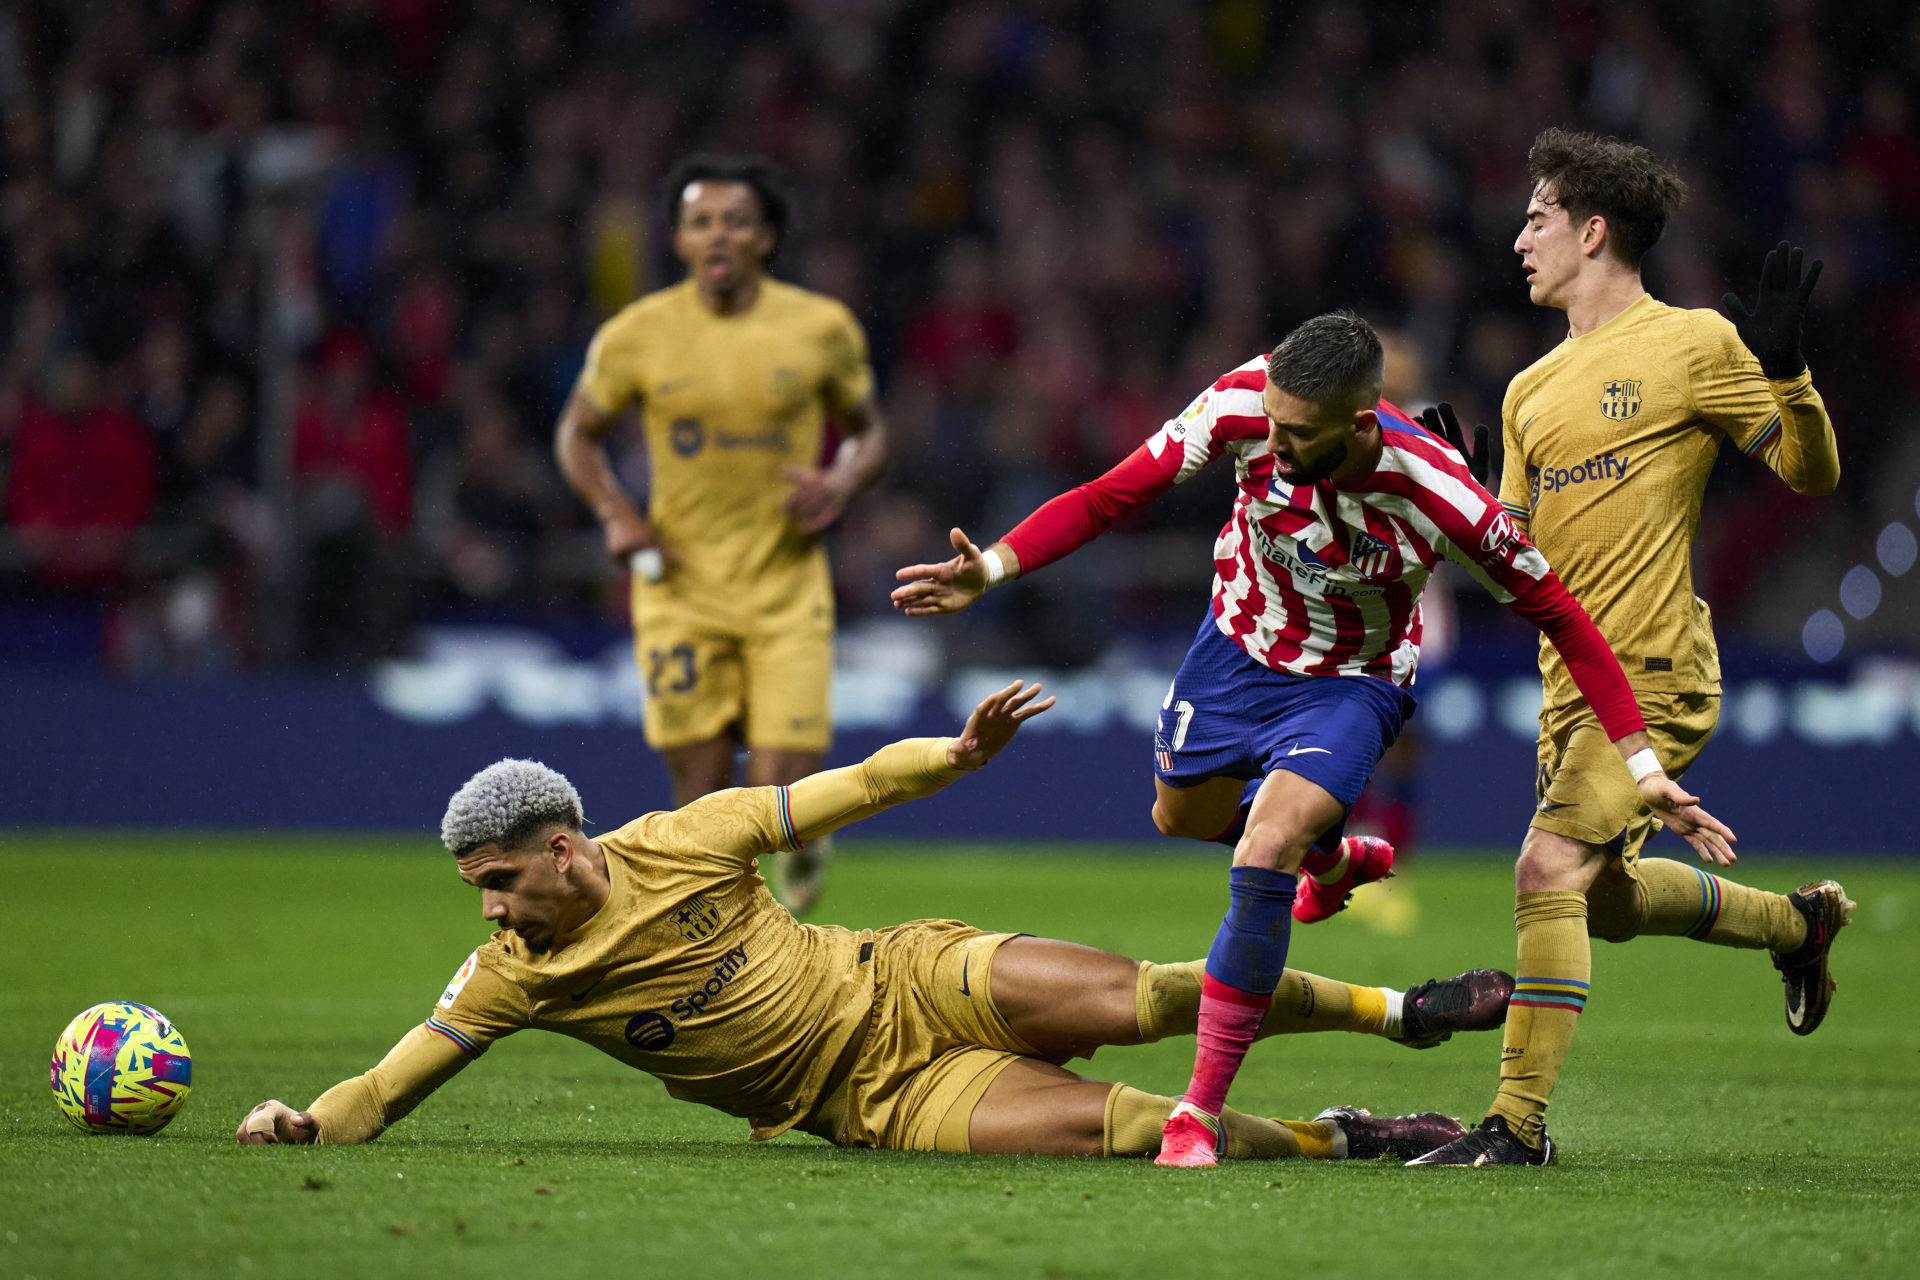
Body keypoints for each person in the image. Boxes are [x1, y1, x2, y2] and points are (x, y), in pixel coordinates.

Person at [890, 311, 1731, 1167]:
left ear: (1360, 423)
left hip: (1348, 684)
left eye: (1298, 435)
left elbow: (1565, 620)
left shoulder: (1437, 490)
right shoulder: (1243, 403)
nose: (1275, 445)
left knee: (1263, 847)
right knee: (1177, 818)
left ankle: (1196, 1114)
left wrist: (1639, 759)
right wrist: (991, 568)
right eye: (1273, 426)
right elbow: (1113, 493)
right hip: (1235, 648)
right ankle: (1331, 861)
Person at [234, 680, 1514, 1163]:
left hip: (907, 978)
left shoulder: (686, 835)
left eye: (503, 880)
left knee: (1150, 998)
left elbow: (843, 787)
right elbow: (384, 1085)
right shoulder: (513, 975)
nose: (497, 910)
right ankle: (1342, 1137)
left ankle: (1401, 1012)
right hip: (875, 1098)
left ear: (562, 848)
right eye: (483, 895)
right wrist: (306, 1116)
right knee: (1129, 1128)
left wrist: (957, 754)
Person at [1407, 129, 1851, 1168]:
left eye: (1538, 217)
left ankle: (1516, 1126)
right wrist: (1467, 512)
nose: (1519, 238)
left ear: (1593, 230)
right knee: (1596, 900)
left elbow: (1811, 473)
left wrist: (1789, 377)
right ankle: (1797, 927)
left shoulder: (1691, 343)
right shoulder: (1525, 391)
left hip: (1656, 668)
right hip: (1573, 692)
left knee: (1544, 863)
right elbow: (1518, 571)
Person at [554, 155, 889, 915]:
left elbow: (872, 434)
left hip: (786, 586)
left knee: (775, 800)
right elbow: (576, 434)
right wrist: (614, 508)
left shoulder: (820, 329)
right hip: (679, 587)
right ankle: (722, 959)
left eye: (736, 221)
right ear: (677, 239)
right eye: (701, 221)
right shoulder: (637, 334)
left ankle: (783, 907)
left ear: (766, 237)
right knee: (700, 805)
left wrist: (840, 479)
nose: (719, 236)